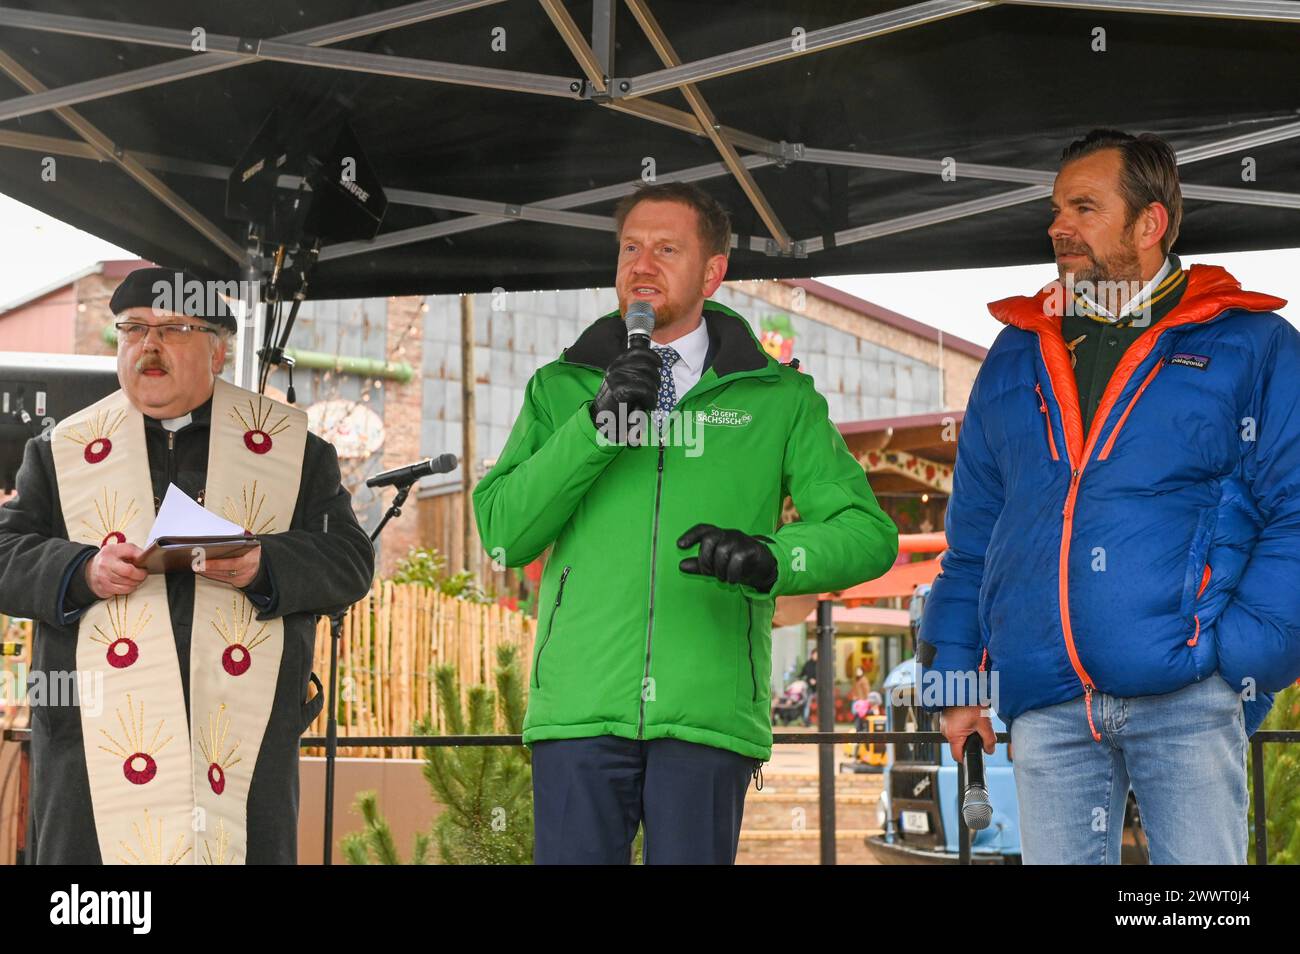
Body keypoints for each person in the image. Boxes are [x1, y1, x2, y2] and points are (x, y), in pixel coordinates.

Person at [474, 181, 898, 864]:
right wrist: (598, 424)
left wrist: (773, 558)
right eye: (630, 249)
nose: (642, 266)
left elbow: (867, 532)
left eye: (667, 249)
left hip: (707, 716)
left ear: (713, 271)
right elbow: (502, 531)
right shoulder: (561, 389)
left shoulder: (780, 400)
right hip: (579, 710)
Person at [921, 129, 1298, 864]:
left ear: (1149, 222)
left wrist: (1236, 658)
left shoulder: (1253, 343)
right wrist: (957, 683)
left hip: (1188, 698)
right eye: (1058, 207)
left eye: (1084, 207)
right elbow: (973, 543)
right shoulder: (1015, 351)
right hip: (1046, 705)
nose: (1058, 225)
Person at [0, 266, 374, 864]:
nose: (148, 345)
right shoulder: (60, 450)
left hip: (236, 742)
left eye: (172, 328)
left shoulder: (292, 450)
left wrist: (263, 565)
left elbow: (351, 560)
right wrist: (81, 571)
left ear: (219, 351)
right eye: (133, 330)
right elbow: (4, 553)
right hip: (97, 749)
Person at [799, 648, 820, 726]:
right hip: (809, 688)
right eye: (815, 654)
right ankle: (806, 720)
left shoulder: (820, 664)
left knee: (820, 705)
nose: (816, 656)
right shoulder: (808, 664)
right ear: (812, 654)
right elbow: (802, 674)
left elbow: (824, 675)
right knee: (807, 704)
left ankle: (820, 721)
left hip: (819, 688)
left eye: (817, 655)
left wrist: (816, 680)